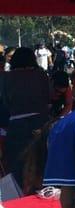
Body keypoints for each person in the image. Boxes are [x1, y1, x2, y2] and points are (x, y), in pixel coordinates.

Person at [0, 47, 50, 187]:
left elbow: (5, 101)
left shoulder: (6, 77)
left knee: (17, 162)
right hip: (40, 121)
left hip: (17, 122)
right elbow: (48, 98)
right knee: (41, 160)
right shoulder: (41, 75)